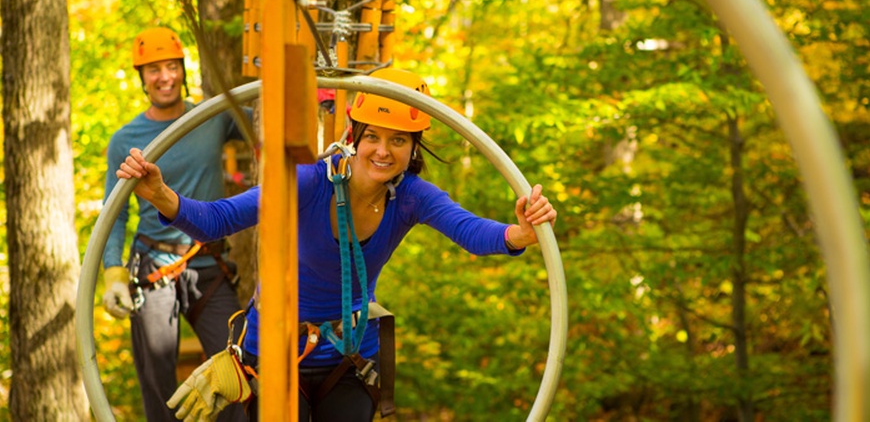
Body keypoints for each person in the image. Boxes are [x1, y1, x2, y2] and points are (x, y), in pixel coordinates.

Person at [116, 68, 558, 422]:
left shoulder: (411, 196)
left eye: (398, 140)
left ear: (413, 147)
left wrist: (518, 233)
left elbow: (472, 232)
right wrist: (161, 196)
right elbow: (218, 219)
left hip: (350, 356)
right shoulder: (309, 183)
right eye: (373, 137)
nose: (383, 151)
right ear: (355, 136)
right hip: (275, 350)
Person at [101, 26, 249, 422]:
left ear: (183, 70)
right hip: (154, 266)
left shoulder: (211, 117)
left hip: (208, 265)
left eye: (171, 66)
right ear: (142, 78)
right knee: (157, 378)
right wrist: (112, 271)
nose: (164, 76)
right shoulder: (126, 138)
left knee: (239, 366)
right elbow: (113, 213)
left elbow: (265, 121)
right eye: (153, 70)